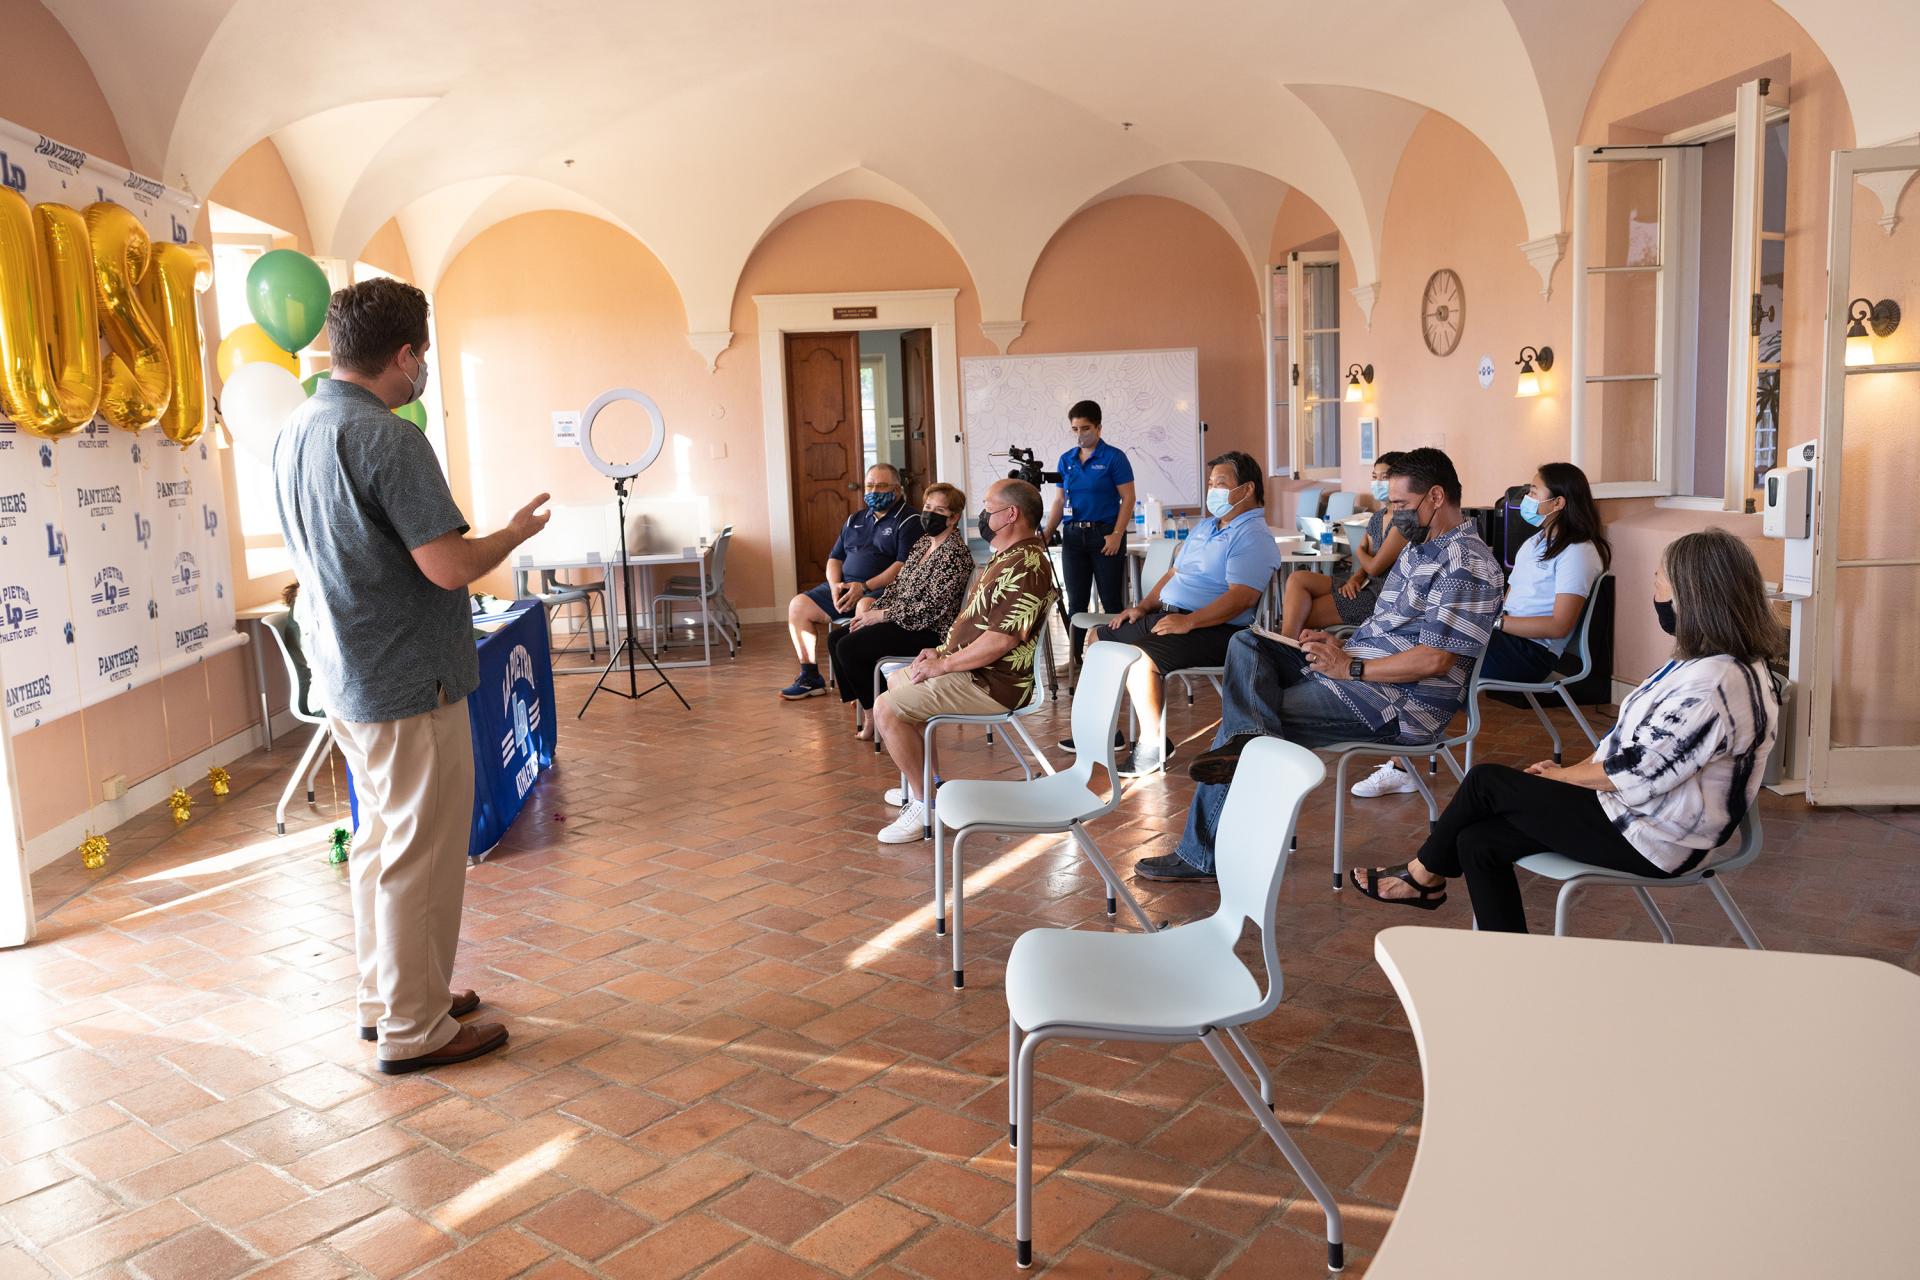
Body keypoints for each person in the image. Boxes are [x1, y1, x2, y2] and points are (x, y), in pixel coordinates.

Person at [274, 277, 549, 1073]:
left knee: (381, 846)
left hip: (349, 674)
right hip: (407, 680)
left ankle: (396, 996)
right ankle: (414, 1029)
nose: (422, 367)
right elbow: (448, 565)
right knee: (419, 855)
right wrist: (513, 534)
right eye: (421, 354)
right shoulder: (390, 438)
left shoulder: (298, 425)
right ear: (403, 355)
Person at [1349, 528, 1781, 932]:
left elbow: (1639, 771)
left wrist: (1560, 777)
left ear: (1693, 596)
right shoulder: (1703, 665)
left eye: (1660, 580)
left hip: (1655, 838)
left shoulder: (1715, 683)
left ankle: (1421, 877)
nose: (1654, 591)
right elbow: (1626, 745)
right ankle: (1507, 962)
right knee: (1479, 840)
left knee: (1485, 783)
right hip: (1635, 813)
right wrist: (1571, 771)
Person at [1134, 448, 1503, 882]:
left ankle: (1204, 850)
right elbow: (1384, 625)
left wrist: (1352, 667)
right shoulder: (1421, 550)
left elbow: (1436, 659)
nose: (1394, 515)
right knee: (1248, 645)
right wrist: (1337, 645)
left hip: (1397, 702)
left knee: (1246, 719)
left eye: (1401, 505)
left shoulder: (1466, 563)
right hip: (1360, 672)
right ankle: (1248, 751)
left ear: (1436, 497)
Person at [1353, 460, 1609, 799]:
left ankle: (1405, 763)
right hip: (1505, 635)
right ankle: (1410, 753)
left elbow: (1560, 623)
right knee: (1430, 637)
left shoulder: (1578, 552)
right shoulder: (1537, 543)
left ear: (1559, 502)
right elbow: (1508, 598)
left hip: (1531, 652)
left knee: (1439, 654)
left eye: (1534, 492)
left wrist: (1492, 621)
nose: (1526, 498)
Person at [871, 479, 1058, 844]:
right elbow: (976, 625)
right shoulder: (1007, 556)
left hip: (992, 683)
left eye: (989, 508)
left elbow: (999, 640)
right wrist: (941, 652)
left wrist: (943, 666)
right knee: (897, 681)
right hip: (971, 670)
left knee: (886, 710)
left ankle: (926, 807)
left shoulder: (1027, 565)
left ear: (1011, 514)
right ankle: (928, 785)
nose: (983, 515)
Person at [1089, 450, 1281, 778]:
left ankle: (1151, 745)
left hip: (1215, 629)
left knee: (1140, 660)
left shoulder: (1252, 535)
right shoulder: (1206, 527)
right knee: (1098, 639)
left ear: (1247, 489)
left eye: (1221, 484)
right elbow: (1172, 574)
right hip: (1170, 616)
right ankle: (1105, 731)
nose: (1212, 491)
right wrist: (1142, 607)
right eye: (1210, 484)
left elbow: (1241, 598)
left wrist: (1188, 621)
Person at [827, 482, 974, 739]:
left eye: (938, 510)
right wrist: (872, 611)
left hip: (929, 630)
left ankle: (879, 715)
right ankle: (870, 706)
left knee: (848, 647)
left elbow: (932, 608)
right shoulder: (923, 544)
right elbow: (897, 586)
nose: (929, 514)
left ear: (954, 518)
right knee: (836, 638)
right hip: (903, 620)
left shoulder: (955, 554)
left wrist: (882, 615)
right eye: (927, 507)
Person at [780, 463, 922, 700]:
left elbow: (903, 565)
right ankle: (810, 676)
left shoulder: (909, 520)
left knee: (862, 607)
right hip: (845, 586)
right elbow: (835, 558)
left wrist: (864, 587)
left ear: (897, 490)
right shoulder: (854, 519)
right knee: (798, 605)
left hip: (881, 590)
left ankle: (864, 686)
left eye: (881, 485)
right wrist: (835, 585)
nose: (874, 491)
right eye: (870, 485)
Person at [1039, 400, 1135, 665]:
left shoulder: (1114, 457)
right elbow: (1059, 501)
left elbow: (1128, 499)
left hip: (1105, 535)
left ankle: (1117, 657)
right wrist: (1048, 531)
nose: (1080, 434)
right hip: (1073, 536)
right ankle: (1075, 658)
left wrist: (1117, 533)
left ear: (1099, 428)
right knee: (1076, 601)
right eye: (1075, 428)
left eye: (1085, 428)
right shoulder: (1066, 460)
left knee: (1111, 600)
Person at [1278, 452, 1409, 638]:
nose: (1377, 482)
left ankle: (1285, 647)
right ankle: (1286, 645)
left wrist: (1359, 550)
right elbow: (1366, 564)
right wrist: (1355, 578)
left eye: (1384, 478)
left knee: (1299, 613)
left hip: (1381, 598)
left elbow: (1373, 565)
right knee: (1297, 579)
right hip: (1365, 584)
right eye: (1374, 477)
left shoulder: (1403, 521)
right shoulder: (1378, 517)